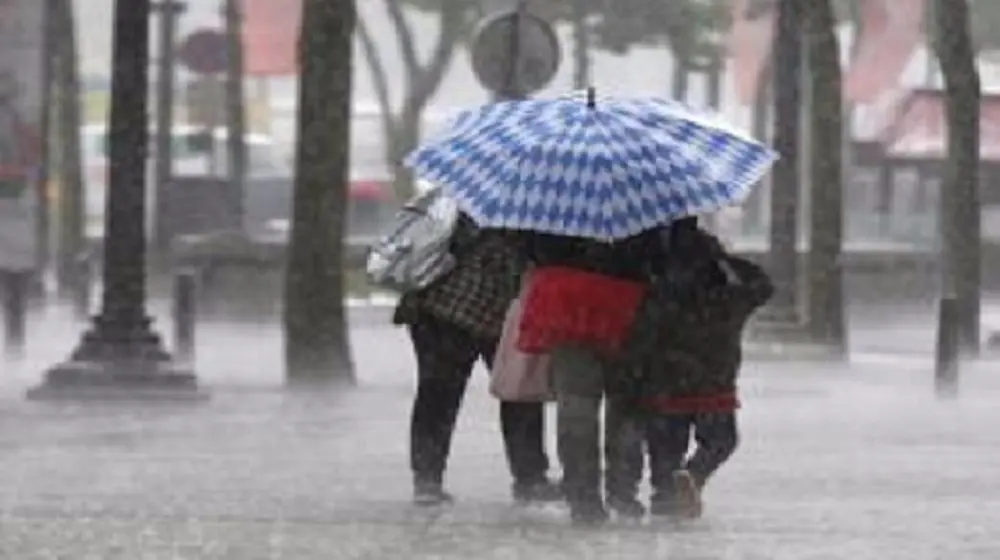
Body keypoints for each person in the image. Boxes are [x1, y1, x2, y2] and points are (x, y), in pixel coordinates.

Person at [607, 219, 773, 519]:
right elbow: (763, 287)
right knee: (721, 440)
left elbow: (642, 335)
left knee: (666, 446)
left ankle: (666, 495)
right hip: (715, 378)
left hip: (667, 379)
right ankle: (694, 475)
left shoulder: (659, 293)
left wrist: (633, 373)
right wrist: (726, 259)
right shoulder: (728, 296)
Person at [394, 213, 560, 507]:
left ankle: (429, 479)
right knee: (511, 393)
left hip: (449, 309)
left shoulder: (477, 198)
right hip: (461, 311)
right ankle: (528, 478)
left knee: (441, 396)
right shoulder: (529, 213)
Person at [515, 232, 663, 525]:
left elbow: (532, 246)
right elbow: (663, 254)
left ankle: (583, 496)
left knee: (577, 402)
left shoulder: (552, 192)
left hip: (567, 297)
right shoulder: (647, 195)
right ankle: (622, 490)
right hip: (628, 298)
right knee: (627, 403)